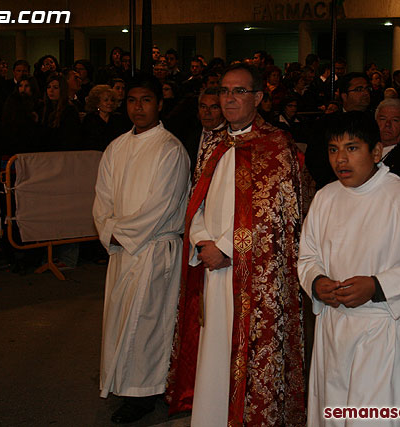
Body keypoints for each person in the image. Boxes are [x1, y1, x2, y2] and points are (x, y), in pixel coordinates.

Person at [167, 63, 306, 426]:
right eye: (225, 91)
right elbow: (195, 200)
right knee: (214, 348)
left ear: (258, 97)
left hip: (250, 272)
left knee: (247, 348)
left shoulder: (276, 144)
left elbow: (275, 214)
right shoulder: (214, 143)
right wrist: (201, 242)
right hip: (211, 264)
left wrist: (226, 248)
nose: (229, 98)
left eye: (239, 91)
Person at [298, 112, 400, 426]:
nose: (341, 159)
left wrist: (377, 286)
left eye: (352, 148)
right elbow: (308, 256)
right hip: (334, 327)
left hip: (381, 327)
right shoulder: (325, 197)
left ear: (376, 152)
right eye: (333, 149)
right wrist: (316, 282)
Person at [93, 75, 190, 424]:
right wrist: (108, 230)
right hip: (124, 251)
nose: (138, 107)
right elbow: (102, 198)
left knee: (148, 324)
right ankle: (123, 382)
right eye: (132, 100)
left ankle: (145, 393)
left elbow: (161, 205)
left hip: (152, 249)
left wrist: (122, 234)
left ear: (159, 104)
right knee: (120, 319)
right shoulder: (116, 147)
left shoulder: (170, 149)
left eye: (146, 100)